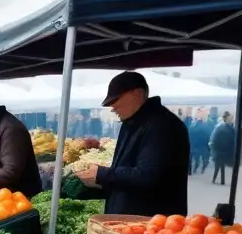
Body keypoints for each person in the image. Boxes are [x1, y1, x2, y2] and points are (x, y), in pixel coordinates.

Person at [73, 72, 189, 216]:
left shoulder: (162, 125)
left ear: (137, 94)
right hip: (130, 217)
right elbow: (128, 165)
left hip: (150, 223)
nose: (112, 107)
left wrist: (102, 175)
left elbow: (149, 175)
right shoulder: (133, 122)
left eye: (115, 100)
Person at [210, 111, 236, 186]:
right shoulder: (221, 127)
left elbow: (213, 140)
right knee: (219, 167)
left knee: (220, 167)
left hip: (221, 151)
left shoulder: (224, 127)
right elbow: (214, 140)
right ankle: (218, 180)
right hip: (220, 151)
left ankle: (219, 180)